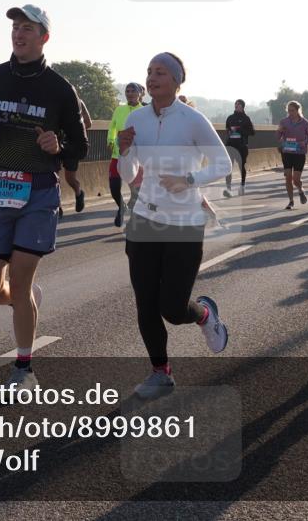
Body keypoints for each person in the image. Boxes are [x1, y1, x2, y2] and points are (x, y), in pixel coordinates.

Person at [0, 5, 88, 394]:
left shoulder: (59, 88)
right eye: (16, 27)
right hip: (1, 186)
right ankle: (26, 300)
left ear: (44, 37)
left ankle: (23, 366)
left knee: (19, 280)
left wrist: (59, 144)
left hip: (38, 189)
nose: (19, 34)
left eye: (28, 28)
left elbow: (79, 144)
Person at [116, 52, 231, 399]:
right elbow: (128, 176)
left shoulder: (192, 120)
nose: (152, 78)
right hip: (145, 221)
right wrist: (123, 153)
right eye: (149, 72)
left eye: (160, 72)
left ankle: (204, 314)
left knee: (172, 307)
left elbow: (224, 162)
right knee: (145, 303)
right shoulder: (136, 118)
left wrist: (189, 179)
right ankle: (160, 372)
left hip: (184, 223)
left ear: (177, 81)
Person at [107, 84, 145, 227]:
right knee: (114, 187)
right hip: (118, 155)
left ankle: (133, 220)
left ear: (140, 94)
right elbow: (112, 127)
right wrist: (110, 140)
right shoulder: (119, 109)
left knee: (136, 191)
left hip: (136, 158)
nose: (129, 93)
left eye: (132, 91)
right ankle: (121, 206)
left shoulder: (144, 111)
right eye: (127, 91)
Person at [58, 96, 91, 217]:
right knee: (53, 174)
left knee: (69, 178)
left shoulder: (78, 102)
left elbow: (88, 123)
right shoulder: (51, 100)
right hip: (55, 141)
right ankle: (57, 205)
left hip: (72, 145)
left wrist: (74, 130)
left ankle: (78, 193)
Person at [277, 101, 308, 210]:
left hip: (299, 153)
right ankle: (291, 201)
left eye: (292, 110)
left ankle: (301, 190)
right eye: (289, 110)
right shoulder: (284, 122)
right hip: (287, 152)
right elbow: (278, 136)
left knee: (296, 179)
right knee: (288, 176)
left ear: (298, 110)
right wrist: (279, 131)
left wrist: (304, 142)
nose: (290, 113)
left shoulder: (304, 122)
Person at [223, 99, 255, 197]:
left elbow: (252, 132)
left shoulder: (246, 119)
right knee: (228, 167)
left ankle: (242, 186)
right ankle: (228, 189)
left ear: (242, 106)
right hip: (231, 145)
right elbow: (227, 129)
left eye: (238, 104)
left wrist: (241, 130)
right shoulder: (230, 118)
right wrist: (230, 131)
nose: (236, 105)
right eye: (235, 104)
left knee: (242, 167)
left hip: (241, 146)